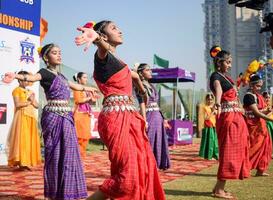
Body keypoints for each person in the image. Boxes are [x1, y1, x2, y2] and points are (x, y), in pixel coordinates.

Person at [75, 20, 165, 200]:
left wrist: (140, 85)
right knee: (127, 178)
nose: (120, 30)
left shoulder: (118, 62)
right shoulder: (102, 57)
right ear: (105, 35)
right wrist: (97, 39)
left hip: (131, 118)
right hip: (116, 119)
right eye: (114, 28)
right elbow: (102, 50)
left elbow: (129, 72)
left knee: (141, 166)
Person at [3, 43, 97, 200]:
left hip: (66, 117)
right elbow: (32, 77)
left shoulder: (62, 77)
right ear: (46, 57)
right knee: (55, 155)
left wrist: (90, 89)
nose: (59, 55)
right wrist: (16, 76)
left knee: (69, 154)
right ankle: (54, 193)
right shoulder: (44, 72)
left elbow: (74, 86)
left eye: (60, 52)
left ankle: (67, 192)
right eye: (54, 52)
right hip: (53, 116)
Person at [209, 47, 250, 199]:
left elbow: (231, 91)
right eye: (228, 62)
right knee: (229, 153)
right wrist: (218, 103)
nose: (230, 65)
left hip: (235, 116)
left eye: (231, 62)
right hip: (228, 117)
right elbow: (218, 89)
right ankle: (219, 190)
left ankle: (218, 187)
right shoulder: (215, 76)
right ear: (219, 63)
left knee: (236, 150)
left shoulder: (226, 77)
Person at [136, 63, 170, 170]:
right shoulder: (139, 85)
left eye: (150, 70)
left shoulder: (151, 85)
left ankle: (158, 163)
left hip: (157, 116)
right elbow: (141, 103)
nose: (150, 72)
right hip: (149, 115)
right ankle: (147, 165)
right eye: (147, 70)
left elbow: (157, 104)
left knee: (159, 139)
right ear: (141, 73)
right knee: (149, 140)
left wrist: (163, 118)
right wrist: (144, 120)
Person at [7, 71, 41, 170]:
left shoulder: (30, 91)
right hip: (21, 116)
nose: (26, 82)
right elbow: (17, 104)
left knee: (29, 139)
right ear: (18, 80)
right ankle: (21, 162)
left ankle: (26, 162)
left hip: (30, 117)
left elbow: (37, 105)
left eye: (27, 80)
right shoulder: (16, 90)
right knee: (22, 139)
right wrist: (29, 101)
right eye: (23, 79)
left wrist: (32, 99)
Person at [243, 74, 272, 176]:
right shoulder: (248, 96)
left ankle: (261, 170)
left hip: (261, 126)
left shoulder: (259, 96)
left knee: (266, 148)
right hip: (252, 126)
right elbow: (256, 113)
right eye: (257, 86)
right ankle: (244, 168)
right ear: (251, 85)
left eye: (260, 86)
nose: (259, 88)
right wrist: (270, 119)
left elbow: (260, 112)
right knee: (254, 148)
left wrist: (267, 111)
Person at [73, 72, 96, 159]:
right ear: (79, 79)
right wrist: (89, 98)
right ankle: (77, 156)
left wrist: (93, 99)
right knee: (79, 136)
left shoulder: (86, 90)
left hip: (86, 114)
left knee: (85, 136)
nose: (86, 79)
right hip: (79, 114)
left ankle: (82, 156)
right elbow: (78, 100)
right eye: (84, 77)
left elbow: (90, 102)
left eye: (86, 77)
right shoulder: (76, 88)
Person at [198, 93, 219, 160]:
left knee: (215, 141)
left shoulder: (214, 107)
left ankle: (214, 155)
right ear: (206, 100)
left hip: (214, 125)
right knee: (209, 141)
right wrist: (213, 112)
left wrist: (216, 111)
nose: (210, 101)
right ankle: (209, 156)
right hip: (208, 125)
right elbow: (206, 118)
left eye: (211, 99)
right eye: (208, 99)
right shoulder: (204, 107)